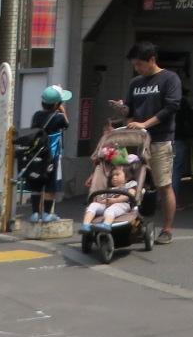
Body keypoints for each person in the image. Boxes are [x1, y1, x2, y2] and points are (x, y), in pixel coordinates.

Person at [108, 41, 181, 245]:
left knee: (163, 184)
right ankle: (134, 223)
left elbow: (171, 107)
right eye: (134, 65)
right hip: (136, 141)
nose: (137, 68)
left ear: (152, 60)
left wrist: (145, 124)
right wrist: (122, 109)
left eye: (140, 64)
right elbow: (130, 111)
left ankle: (167, 228)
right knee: (134, 182)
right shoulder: (135, 83)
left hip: (160, 139)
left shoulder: (169, 79)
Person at [27, 85, 72, 223]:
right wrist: (62, 110)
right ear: (57, 104)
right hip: (52, 156)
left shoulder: (37, 115)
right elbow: (67, 124)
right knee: (51, 186)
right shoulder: (58, 117)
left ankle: (35, 214)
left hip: (36, 156)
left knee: (37, 184)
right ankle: (47, 214)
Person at [81, 162, 137, 231]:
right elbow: (103, 197)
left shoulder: (130, 184)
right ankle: (86, 225)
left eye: (117, 174)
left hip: (122, 205)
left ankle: (106, 225)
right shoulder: (110, 189)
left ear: (127, 177)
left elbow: (131, 195)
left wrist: (115, 200)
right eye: (112, 175)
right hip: (107, 204)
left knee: (110, 210)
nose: (114, 177)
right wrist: (102, 201)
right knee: (93, 205)